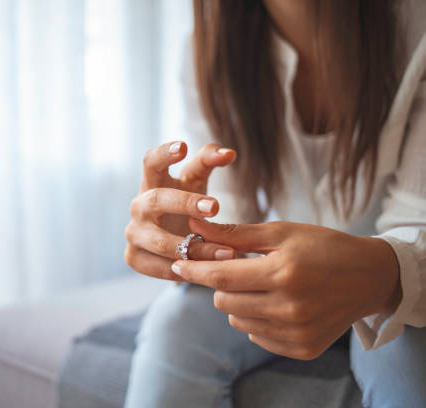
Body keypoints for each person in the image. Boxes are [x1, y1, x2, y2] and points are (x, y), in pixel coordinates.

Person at [123, 0, 426, 407]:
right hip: (293, 278)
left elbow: (417, 222)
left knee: (400, 358)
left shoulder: (416, 29)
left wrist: (385, 276)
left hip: (391, 279)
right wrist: (193, 240)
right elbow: (231, 211)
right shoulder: (212, 49)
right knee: (175, 322)